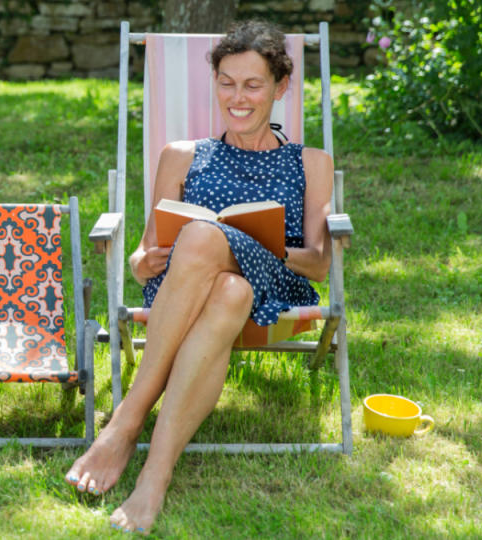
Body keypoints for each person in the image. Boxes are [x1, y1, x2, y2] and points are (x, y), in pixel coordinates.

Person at [64, 20, 334, 534]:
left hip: (276, 292)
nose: (238, 96)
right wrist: (145, 261)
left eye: (253, 84)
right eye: (227, 82)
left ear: (280, 87)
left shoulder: (311, 163)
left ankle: (124, 423)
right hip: (193, 295)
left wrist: (249, 240)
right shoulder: (182, 155)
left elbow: (319, 263)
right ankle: (154, 478)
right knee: (226, 286)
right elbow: (144, 254)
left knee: (206, 236)